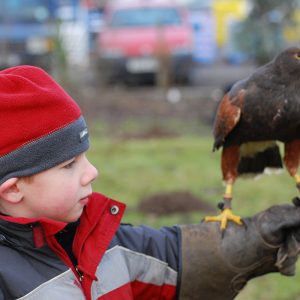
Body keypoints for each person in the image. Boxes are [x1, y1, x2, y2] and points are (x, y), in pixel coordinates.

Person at [0, 65, 300, 300]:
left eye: (84, 158)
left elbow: (173, 259)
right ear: (13, 189)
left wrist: (261, 239)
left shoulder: (101, 241)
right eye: (69, 165)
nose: (92, 172)